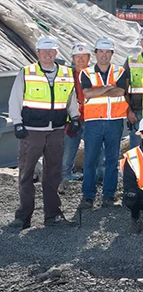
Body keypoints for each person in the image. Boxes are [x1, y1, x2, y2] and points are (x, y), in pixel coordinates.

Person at [9, 36, 78, 229]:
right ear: (37, 53)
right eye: (44, 51)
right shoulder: (27, 72)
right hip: (32, 132)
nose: (48, 54)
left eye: (51, 51)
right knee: (26, 174)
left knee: (53, 173)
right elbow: (15, 98)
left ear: (56, 53)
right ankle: (23, 217)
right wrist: (17, 123)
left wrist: (74, 117)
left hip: (56, 130)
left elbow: (71, 98)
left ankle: (52, 215)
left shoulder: (66, 73)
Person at [78, 36, 127, 209]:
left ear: (112, 54)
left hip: (114, 121)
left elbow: (121, 91)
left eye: (107, 52)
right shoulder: (86, 72)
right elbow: (87, 93)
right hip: (93, 122)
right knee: (90, 160)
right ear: (96, 53)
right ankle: (88, 196)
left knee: (112, 160)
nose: (104, 55)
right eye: (101, 51)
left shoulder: (120, 71)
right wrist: (108, 88)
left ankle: (108, 196)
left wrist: (98, 90)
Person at [62, 43, 92, 182]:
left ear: (89, 58)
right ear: (73, 58)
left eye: (83, 56)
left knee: (96, 151)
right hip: (72, 119)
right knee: (68, 150)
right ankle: (65, 176)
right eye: (77, 57)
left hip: (91, 118)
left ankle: (95, 176)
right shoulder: (66, 75)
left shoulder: (94, 75)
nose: (80, 60)